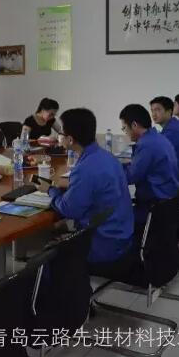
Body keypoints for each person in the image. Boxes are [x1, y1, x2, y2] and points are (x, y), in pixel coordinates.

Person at [33, 108, 134, 265]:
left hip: (103, 244)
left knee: (44, 258)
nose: (59, 136)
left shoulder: (85, 168)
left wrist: (50, 190)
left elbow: (69, 209)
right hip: (122, 236)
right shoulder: (107, 157)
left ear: (70, 140)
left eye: (61, 133)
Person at [119, 104, 179, 225]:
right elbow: (138, 166)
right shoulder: (156, 137)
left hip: (154, 207)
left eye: (124, 128)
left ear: (134, 125)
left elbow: (131, 176)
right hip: (168, 200)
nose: (125, 132)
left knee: (109, 216)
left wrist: (109, 173)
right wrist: (118, 167)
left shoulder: (147, 145)